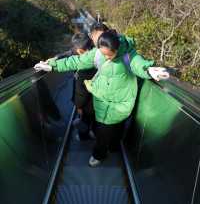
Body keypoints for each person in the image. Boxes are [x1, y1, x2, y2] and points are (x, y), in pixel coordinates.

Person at [34, 30, 169, 167]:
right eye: (103, 54)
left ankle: (106, 150)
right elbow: (76, 61)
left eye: (109, 55)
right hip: (102, 102)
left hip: (121, 103)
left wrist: (149, 70)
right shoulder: (98, 54)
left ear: (118, 49)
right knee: (106, 130)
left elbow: (139, 65)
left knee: (113, 128)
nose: (106, 57)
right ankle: (106, 151)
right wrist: (52, 65)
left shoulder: (128, 55)